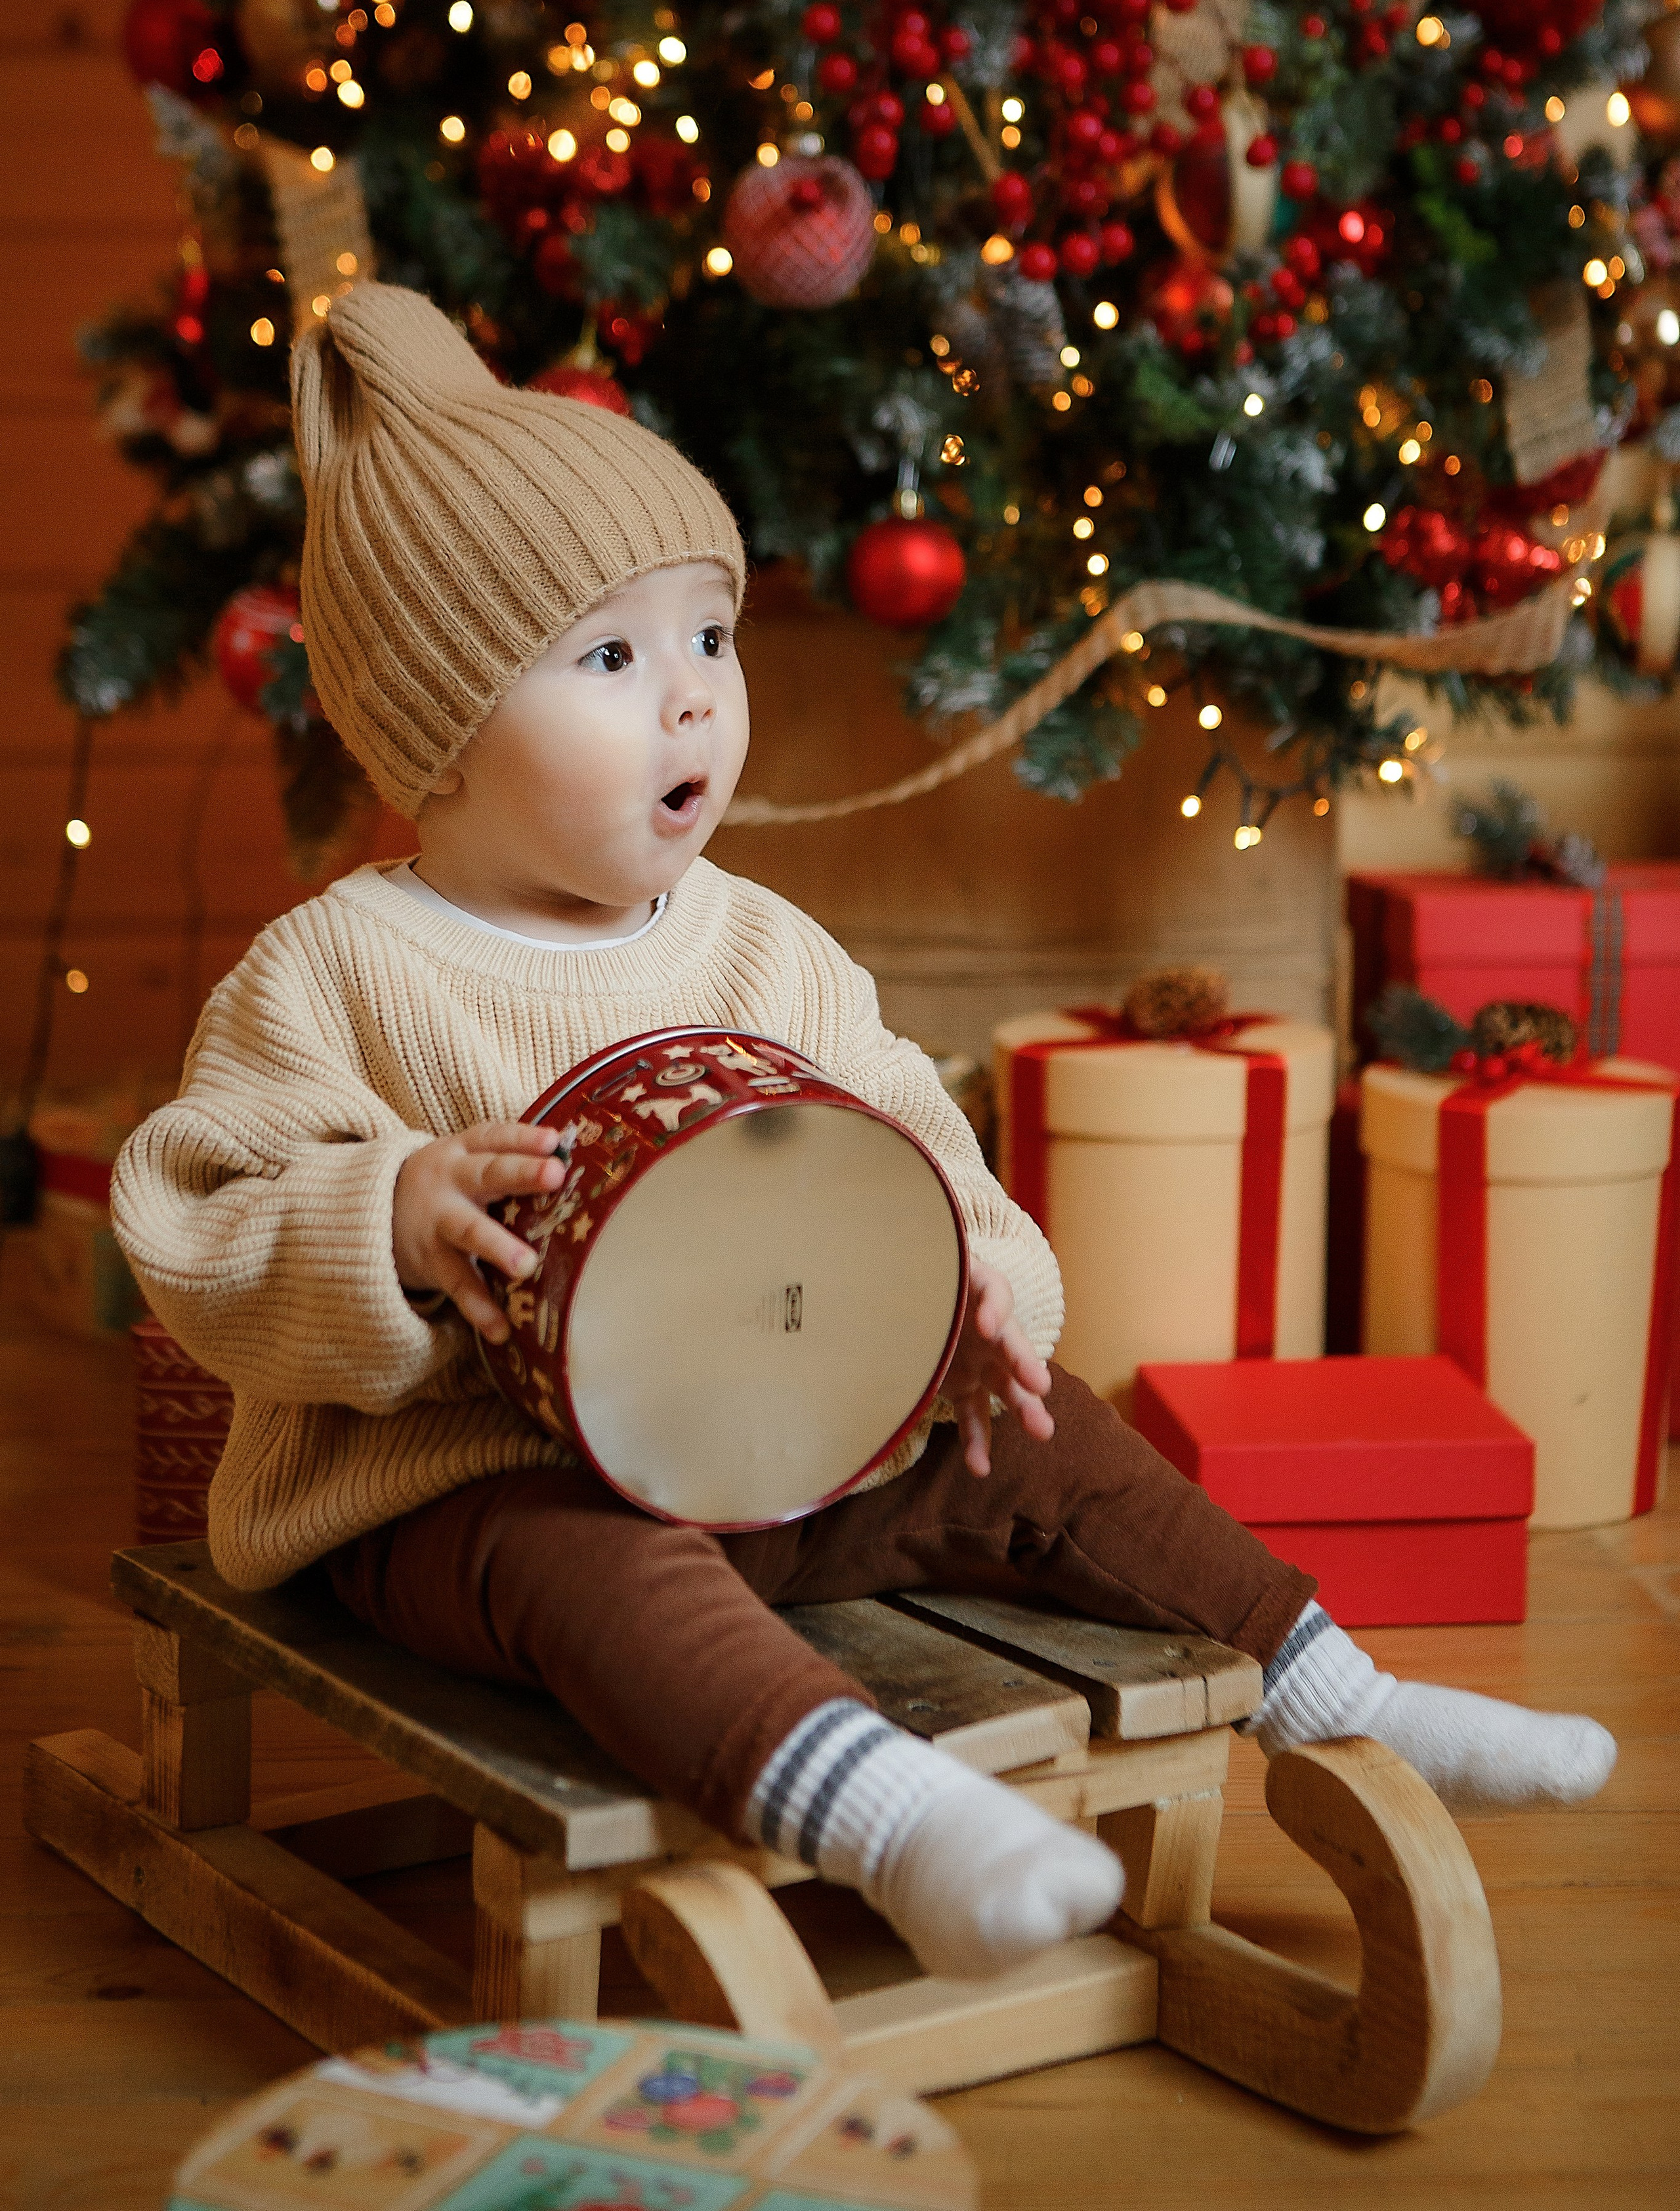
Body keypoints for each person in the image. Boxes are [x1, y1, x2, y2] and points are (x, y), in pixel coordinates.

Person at [114, 285, 1616, 1983]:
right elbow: (193, 1222)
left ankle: (1341, 1693)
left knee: (1050, 1449)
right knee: (592, 1568)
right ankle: (884, 1814)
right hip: (462, 1491)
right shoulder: (340, 965)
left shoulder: (763, 945)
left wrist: (969, 1284)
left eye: (710, 638)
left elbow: (912, 1136)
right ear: (436, 737)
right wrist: (382, 1215)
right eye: (612, 657)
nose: (690, 700)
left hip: (784, 1444)